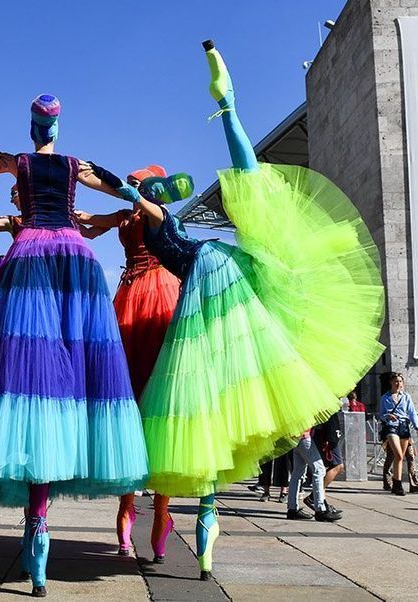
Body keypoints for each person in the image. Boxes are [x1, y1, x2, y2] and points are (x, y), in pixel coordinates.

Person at [75, 41, 384, 578]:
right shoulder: (140, 218)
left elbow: (134, 198)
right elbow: (113, 215)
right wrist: (85, 208)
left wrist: (101, 179)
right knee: (213, 390)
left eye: (146, 190)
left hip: (213, 273)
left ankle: (230, 108)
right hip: (209, 279)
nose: (145, 196)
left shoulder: (151, 212)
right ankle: (206, 527)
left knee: (250, 181)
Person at [0, 95, 151, 597]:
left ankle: (37, 524)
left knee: (25, 362)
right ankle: (41, 531)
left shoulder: (20, 162)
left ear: (32, 129)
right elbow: (120, 187)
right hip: (75, 257)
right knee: (76, 361)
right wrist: (140, 206)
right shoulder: (77, 165)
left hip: (31, 251)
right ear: (57, 126)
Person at [75, 165, 180, 561]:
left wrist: (111, 185)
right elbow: (89, 223)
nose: (132, 188)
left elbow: (121, 203)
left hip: (156, 291)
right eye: (132, 183)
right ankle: (127, 502)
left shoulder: (157, 213)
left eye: (139, 184)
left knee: (156, 392)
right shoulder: (127, 215)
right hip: (129, 293)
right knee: (126, 392)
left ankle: (161, 509)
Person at [378, 373, 418, 496]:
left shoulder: (406, 397)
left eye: (400, 381)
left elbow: (412, 412)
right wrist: (387, 416)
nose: (398, 384)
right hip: (391, 426)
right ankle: (396, 483)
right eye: (396, 381)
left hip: (404, 426)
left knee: (401, 457)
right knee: (397, 454)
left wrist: (417, 427)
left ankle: (397, 484)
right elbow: (380, 414)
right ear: (391, 382)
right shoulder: (385, 398)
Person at [287, 429, 342, 522]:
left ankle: (292, 508)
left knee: (297, 473)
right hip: (305, 437)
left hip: (296, 437)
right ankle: (320, 509)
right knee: (319, 470)